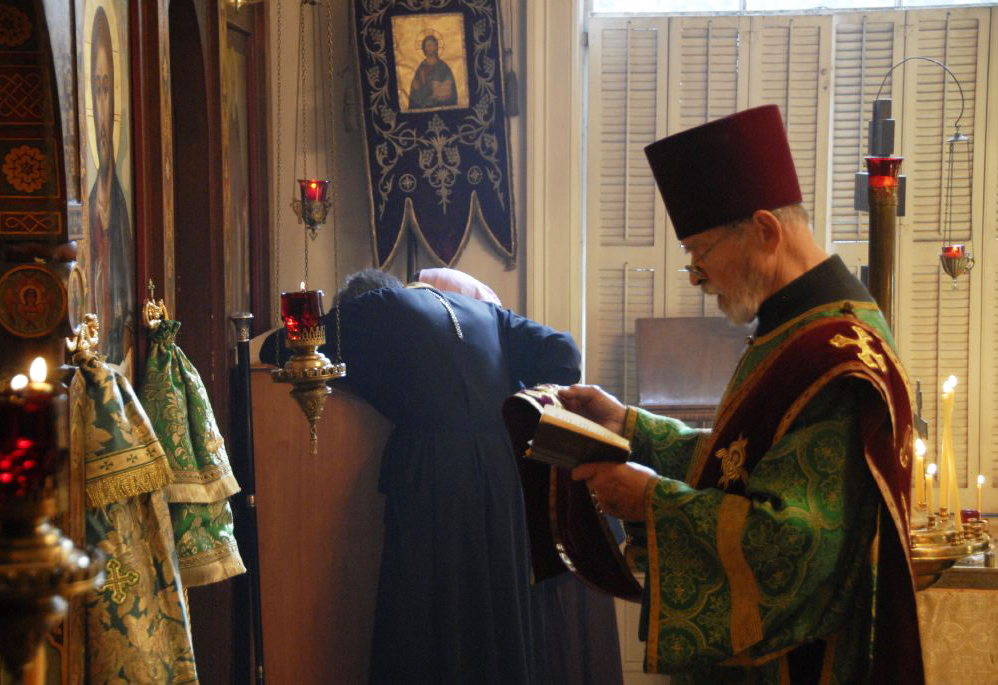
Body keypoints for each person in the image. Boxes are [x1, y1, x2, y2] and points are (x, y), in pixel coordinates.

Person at [560, 105, 924, 684]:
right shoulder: (797, 329)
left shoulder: (834, 358)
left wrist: (650, 500)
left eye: (700, 253)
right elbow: (744, 463)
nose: (697, 277)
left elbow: (795, 548)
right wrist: (631, 427)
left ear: (765, 231)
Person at [315, 268, 613, 684]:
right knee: (497, 604)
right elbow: (563, 354)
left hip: (434, 469)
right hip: (502, 467)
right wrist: (507, 398)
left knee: (426, 613)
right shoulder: (483, 310)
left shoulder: (370, 309)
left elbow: (295, 343)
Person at [88, 7, 133, 366]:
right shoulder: (90, 202)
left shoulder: (119, 202)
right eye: (97, 88)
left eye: (107, 88)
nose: (103, 102)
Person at [408, 34, 457, 109]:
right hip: (424, 104)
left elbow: (450, 87)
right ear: (424, 48)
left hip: (441, 104)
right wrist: (417, 87)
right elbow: (415, 90)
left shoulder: (443, 66)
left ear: (436, 47)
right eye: (427, 45)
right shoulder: (421, 67)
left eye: (432, 45)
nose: (429, 47)